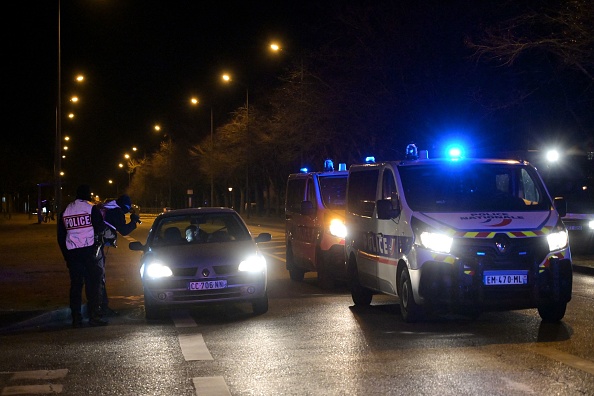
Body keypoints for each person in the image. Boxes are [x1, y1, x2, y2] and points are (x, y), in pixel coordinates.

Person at [57, 185, 108, 327]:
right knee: (94, 283)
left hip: (73, 253)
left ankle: (76, 318)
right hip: (89, 252)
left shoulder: (66, 211)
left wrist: (67, 256)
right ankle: (94, 316)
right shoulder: (91, 208)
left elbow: (61, 237)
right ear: (87, 195)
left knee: (76, 286)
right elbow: (100, 228)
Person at [97, 194, 141, 316]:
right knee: (99, 276)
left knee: (98, 276)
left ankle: (101, 305)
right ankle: (102, 307)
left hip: (94, 243)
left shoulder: (109, 207)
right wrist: (133, 221)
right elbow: (124, 230)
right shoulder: (116, 212)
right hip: (97, 244)